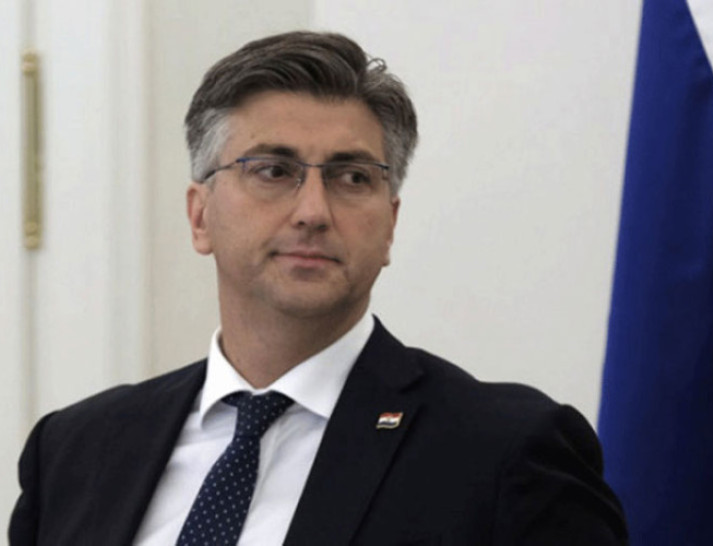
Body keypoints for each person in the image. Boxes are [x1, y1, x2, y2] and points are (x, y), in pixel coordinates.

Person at [9, 31, 628, 545]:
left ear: (390, 224)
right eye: (273, 170)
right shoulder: (76, 450)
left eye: (351, 177)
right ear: (200, 216)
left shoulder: (503, 452)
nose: (313, 211)